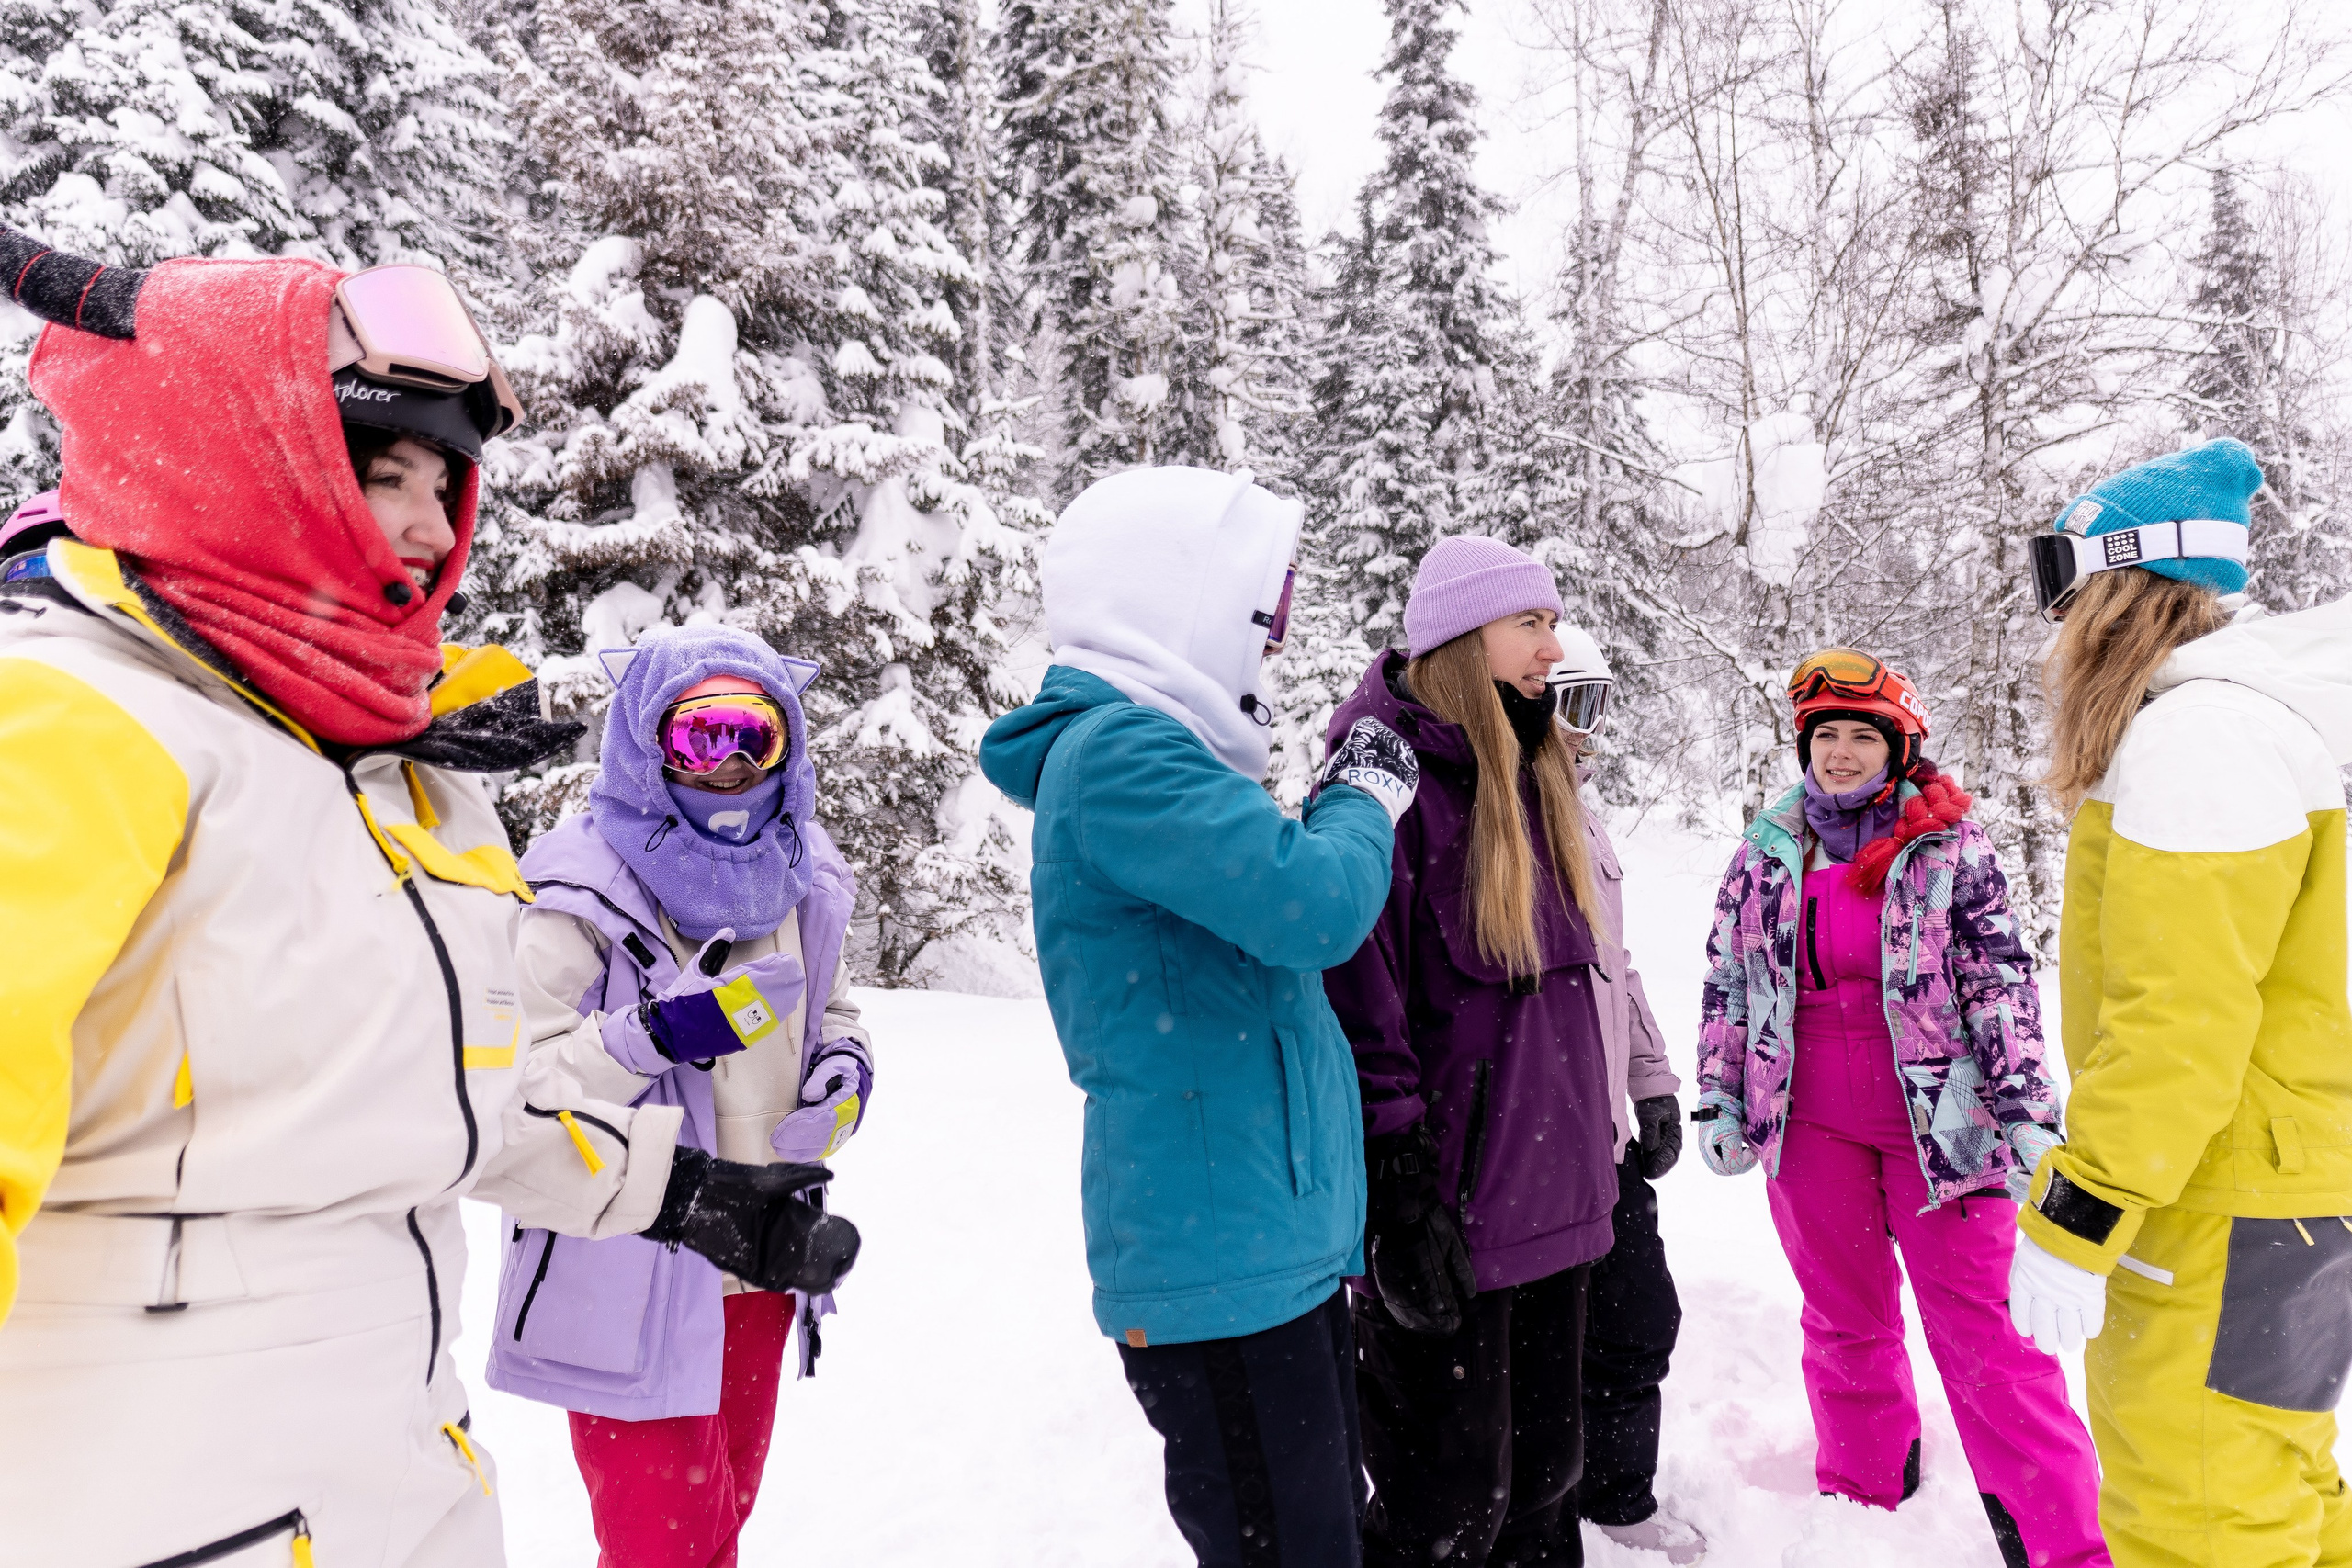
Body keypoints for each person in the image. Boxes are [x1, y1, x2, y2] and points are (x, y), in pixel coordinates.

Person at [0, 228, 854, 1563]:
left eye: (446, 478)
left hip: (400, 1489)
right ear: (239, 463)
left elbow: (463, 1098)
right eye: (377, 467)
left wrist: (686, 1193)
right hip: (150, 1506)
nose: (423, 520)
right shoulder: (74, 724)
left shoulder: (403, 780)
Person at [978, 466, 1408, 1568]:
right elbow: (1316, 908)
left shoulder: (1156, 754)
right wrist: (1365, 793)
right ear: (1177, 598)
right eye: (1267, 609)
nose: (1274, 640)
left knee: (1316, 1535)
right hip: (1221, 1265)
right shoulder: (1123, 757)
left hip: (1259, 1244)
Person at [2007, 439, 2352, 1568]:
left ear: (2113, 589)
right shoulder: (2241, 725)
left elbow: (2179, 1024)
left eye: (2063, 586)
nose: (2055, 630)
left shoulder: (2198, 739)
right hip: (2277, 1190)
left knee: (2197, 1517)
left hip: (2213, 1201)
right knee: (2273, 1483)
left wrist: (2079, 1214)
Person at [1693, 646, 2108, 1568]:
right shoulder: (1766, 851)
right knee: (1842, 1318)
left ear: (1897, 745)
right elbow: (1730, 981)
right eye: (1824, 735)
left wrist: (2026, 1108)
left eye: (1859, 736)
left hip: (1943, 1130)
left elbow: (1999, 986)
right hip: (1807, 1124)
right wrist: (1720, 1100)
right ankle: (1860, 1502)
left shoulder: (1949, 846)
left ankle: (2061, 1544)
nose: (1839, 753)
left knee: (1988, 1337)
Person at [486, 623, 868, 1566]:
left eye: (756, 738)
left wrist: (843, 1080)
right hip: (630, 1258)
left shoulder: (802, 879)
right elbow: (505, 1090)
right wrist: (649, 1037)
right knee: (665, 1548)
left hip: (760, 1260)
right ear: (647, 745)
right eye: (701, 738)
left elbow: (840, 1014)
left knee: (720, 1523)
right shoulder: (576, 895)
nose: (731, 767)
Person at [1322, 536, 1619, 1568]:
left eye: (1551, 622)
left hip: (1557, 1200)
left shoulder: (1534, 764)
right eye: (1531, 623)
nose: (1552, 645)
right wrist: (1398, 1189)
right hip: (1452, 1209)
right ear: (1464, 636)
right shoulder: (1383, 784)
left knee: (1545, 1485)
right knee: (1443, 1505)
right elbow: (1359, 1000)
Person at [1544, 629, 1705, 1566]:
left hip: (1603, 1137)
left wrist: (1648, 1081)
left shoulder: (1579, 813)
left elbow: (1616, 967)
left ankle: (1614, 1495)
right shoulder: (1491, 817)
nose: (1588, 731)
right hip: (1528, 1144)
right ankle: (1539, 1506)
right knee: (1526, 1352)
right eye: (1574, 706)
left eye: (1599, 704)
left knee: (1636, 1322)